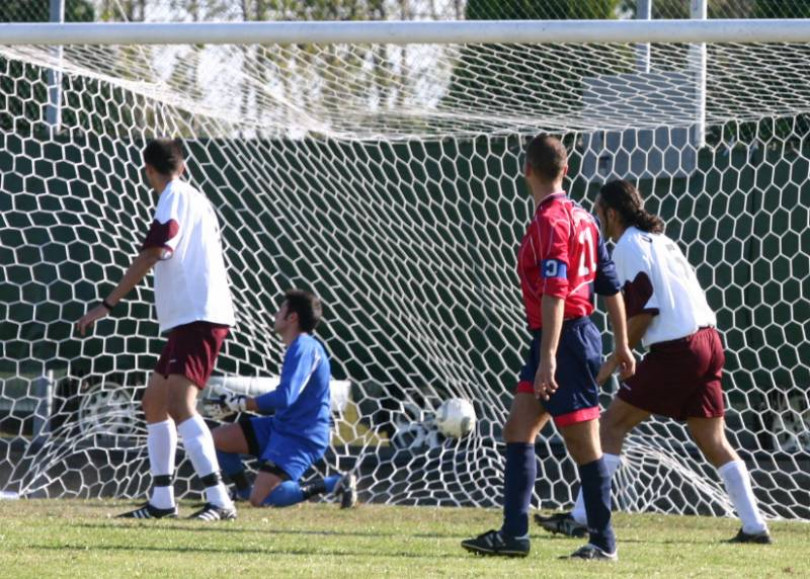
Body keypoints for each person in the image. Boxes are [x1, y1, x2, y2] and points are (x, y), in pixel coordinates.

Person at [535, 179, 771, 544]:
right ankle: (755, 527)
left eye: (598, 212)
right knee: (711, 438)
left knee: (610, 426)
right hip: (710, 341)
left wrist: (614, 360)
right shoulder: (662, 241)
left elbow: (645, 310)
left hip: (678, 350)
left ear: (611, 213)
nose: (597, 219)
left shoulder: (627, 246)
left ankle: (582, 517)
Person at [461, 135, 635, 561]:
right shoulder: (586, 220)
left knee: (584, 445)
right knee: (518, 430)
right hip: (563, 336)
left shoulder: (550, 223)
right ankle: (514, 534)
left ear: (527, 171)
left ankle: (603, 542)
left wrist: (549, 357)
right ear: (567, 169)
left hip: (566, 340)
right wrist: (622, 345)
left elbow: (557, 292)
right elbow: (610, 286)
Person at [77, 138, 237, 521]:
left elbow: (155, 251)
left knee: (181, 405)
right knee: (153, 403)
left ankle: (220, 500)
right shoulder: (197, 197)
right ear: (181, 166)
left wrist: (107, 304)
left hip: (199, 315)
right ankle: (162, 499)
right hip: (189, 316)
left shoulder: (173, 197)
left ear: (148, 171)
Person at [205, 289, 357, 510]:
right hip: (282, 425)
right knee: (216, 439)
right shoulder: (298, 347)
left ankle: (334, 483)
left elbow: (286, 397)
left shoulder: (304, 348)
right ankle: (243, 491)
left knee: (262, 499)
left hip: (301, 435)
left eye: (280, 310)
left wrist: (241, 402)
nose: (275, 315)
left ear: (292, 317)